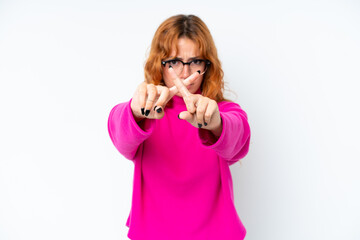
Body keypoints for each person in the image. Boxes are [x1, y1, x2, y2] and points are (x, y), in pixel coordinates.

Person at [107, 14, 251, 240]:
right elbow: (120, 134)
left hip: (215, 233)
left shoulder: (225, 111)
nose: (185, 73)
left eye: (195, 61)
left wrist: (214, 122)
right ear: (159, 64)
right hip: (153, 232)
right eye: (174, 62)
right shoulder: (145, 109)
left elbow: (237, 138)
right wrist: (136, 111)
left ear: (207, 65)